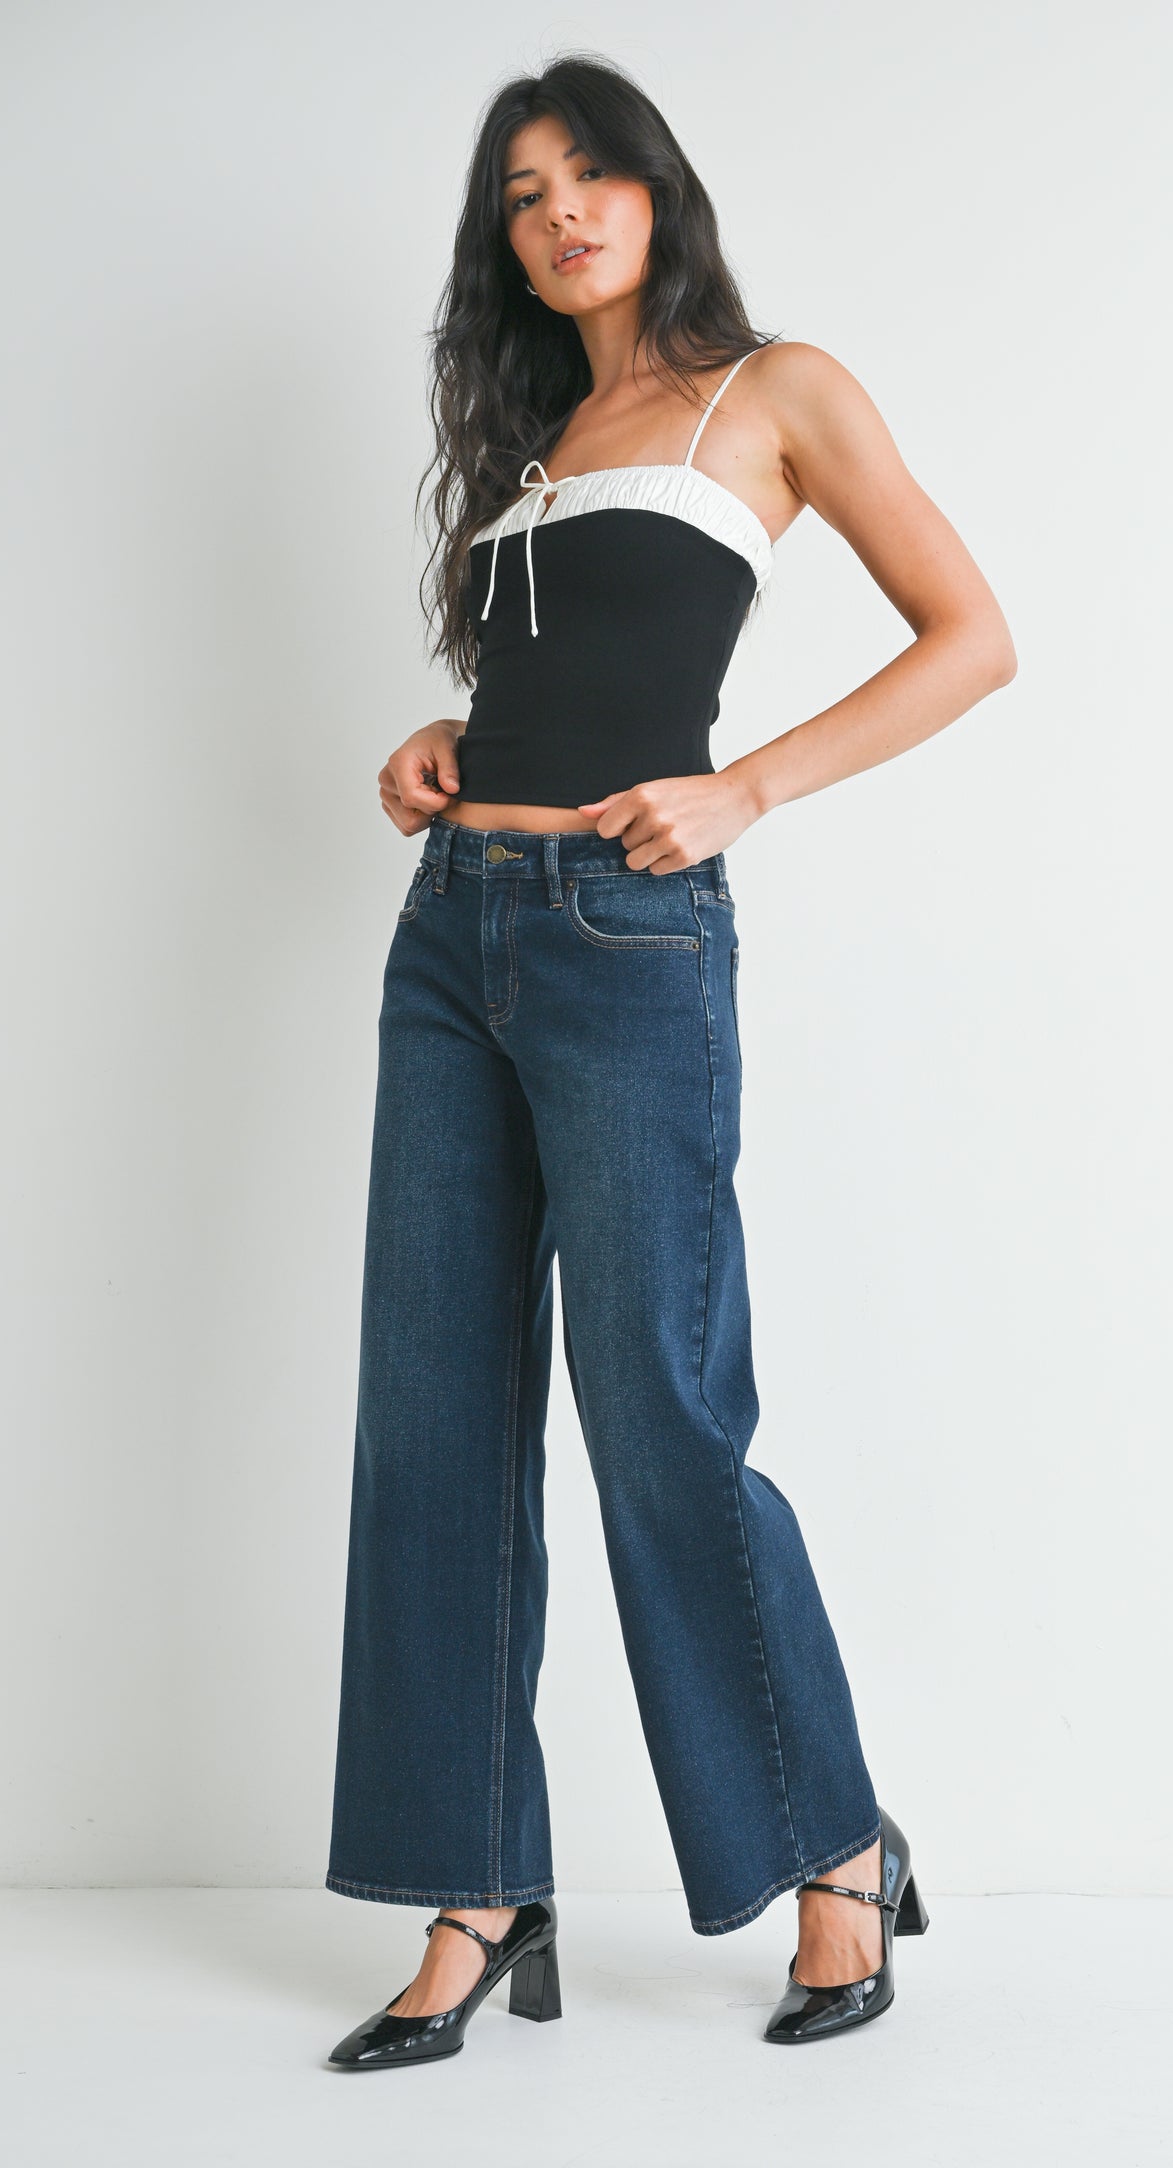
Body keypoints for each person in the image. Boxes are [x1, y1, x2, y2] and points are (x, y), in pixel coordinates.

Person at [325, 52, 1017, 2070]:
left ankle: (835, 1843)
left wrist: (748, 791)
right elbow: (551, 684)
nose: (559, 211)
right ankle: (475, 1884)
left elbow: (971, 632)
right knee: (433, 1414)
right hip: (454, 934)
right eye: (522, 192)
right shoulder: (544, 434)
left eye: (589, 170)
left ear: (656, 184)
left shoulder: (773, 391)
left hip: (632, 941)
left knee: (661, 1410)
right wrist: (443, 749)